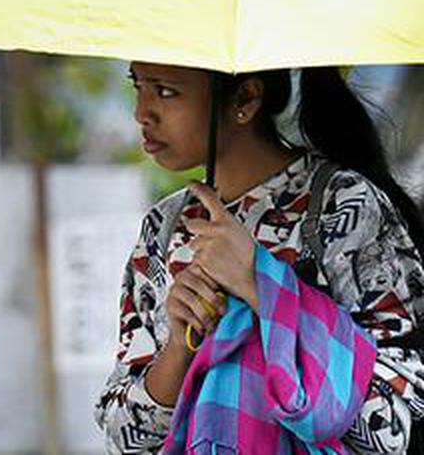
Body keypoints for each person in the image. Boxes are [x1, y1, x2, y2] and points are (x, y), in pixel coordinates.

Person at [95, 63, 424, 453]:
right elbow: (124, 437)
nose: (141, 112)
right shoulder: (164, 228)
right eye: (139, 87)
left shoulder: (342, 206)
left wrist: (261, 286)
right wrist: (180, 348)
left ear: (246, 99)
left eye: (166, 91)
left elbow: (389, 427)